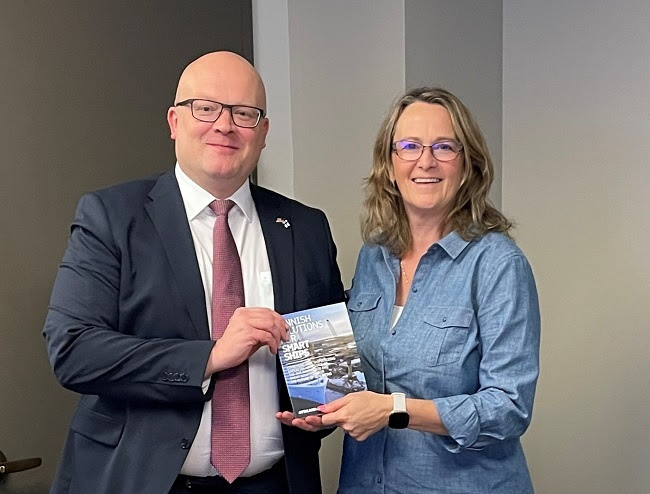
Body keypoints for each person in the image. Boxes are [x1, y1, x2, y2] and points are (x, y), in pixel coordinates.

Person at [43, 51, 344, 494]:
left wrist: (325, 406)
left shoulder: (305, 227)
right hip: (145, 482)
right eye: (205, 108)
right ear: (174, 122)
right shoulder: (111, 216)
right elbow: (73, 349)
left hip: (275, 483)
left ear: (263, 133)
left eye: (244, 113)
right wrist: (210, 357)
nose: (224, 125)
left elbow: (325, 378)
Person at [317, 87, 541, 493]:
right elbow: (359, 372)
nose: (426, 161)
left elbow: (509, 407)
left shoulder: (498, 265)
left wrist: (395, 411)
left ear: (468, 164)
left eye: (444, 147)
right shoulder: (374, 256)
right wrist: (319, 404)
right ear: (389, 164)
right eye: (409, 146)